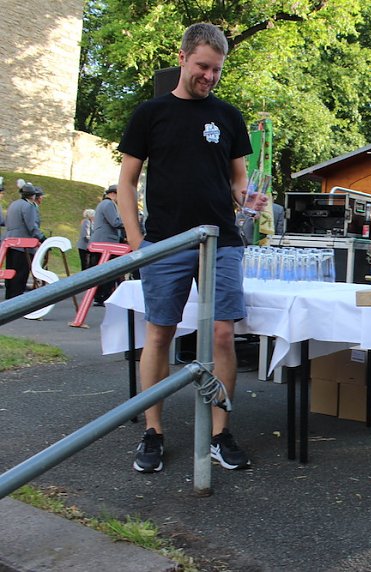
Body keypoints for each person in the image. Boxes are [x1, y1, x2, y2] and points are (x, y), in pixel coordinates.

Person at [116, 22, 264, 474]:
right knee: (159, 333)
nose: (210, 76)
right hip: (166, 241)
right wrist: (137, 242)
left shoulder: (229, 116)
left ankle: (220, 434)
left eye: (217, 70)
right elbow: (127, 181)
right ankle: (153, 432)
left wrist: (248, 198)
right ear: (182, 59)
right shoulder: (150, 113)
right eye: (202, 66)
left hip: (221, 240)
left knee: (222, 334)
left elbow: (238, 179)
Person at [4, 184, 47, 299]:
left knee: (11, 270)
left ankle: (9, 295)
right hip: (23, 244)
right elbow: (31, 226)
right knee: (21, 272)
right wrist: (42, 238)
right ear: (33, 196)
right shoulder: (28, 206)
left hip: (10, 241)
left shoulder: (13, 204)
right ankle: (17, 297)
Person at [91, 185, 125, 305]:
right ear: (114, 193)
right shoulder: (109, 204)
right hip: (106, 242)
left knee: (102, 270)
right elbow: (115, 222)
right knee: (108, 271)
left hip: (102, 241)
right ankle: (103, 295)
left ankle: (100, 295)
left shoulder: (104, 204)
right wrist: (130, 221)